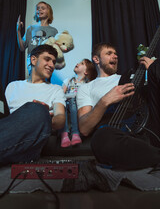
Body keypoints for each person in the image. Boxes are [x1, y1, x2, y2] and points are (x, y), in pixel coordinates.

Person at [76, 42, 160, 170]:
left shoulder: (129, 78)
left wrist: (153, 72)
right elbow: (84, 128)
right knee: (101, 138)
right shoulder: (86, 88)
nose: (115, 56)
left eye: (115, 54)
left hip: (147, 128)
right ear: (96, 59)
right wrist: (105, 101)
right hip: (119, 136)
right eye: (109, 53)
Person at [0, 44, 65, 165]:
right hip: (8, 133)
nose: (51, 65)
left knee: (37, 110)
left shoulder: (56, 89)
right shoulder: (13, 86)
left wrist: (44, 116)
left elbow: (60, 119)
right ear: (33, 60)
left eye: (53, 62)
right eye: (47, 59)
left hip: (31, 140)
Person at [61, 59, 97, 147]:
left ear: (86, 72)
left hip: (77, 105)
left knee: (73, 101)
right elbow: (61, 95)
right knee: (63, 103)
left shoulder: (86, 85)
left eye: (82, 64)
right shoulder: (68, 81)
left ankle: (75, 133)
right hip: (67, 104)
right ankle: (64, 134)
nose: (77, 63)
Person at [17, 1, 58, 74]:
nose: (39, 10)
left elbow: (56, 51)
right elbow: (22, 47)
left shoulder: (54, 31)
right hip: (33, 63)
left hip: (47, 64)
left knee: (44, 84)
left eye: (43, 8)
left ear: (48, 12)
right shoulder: (31, 28)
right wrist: (18, 31)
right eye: (37, 8)